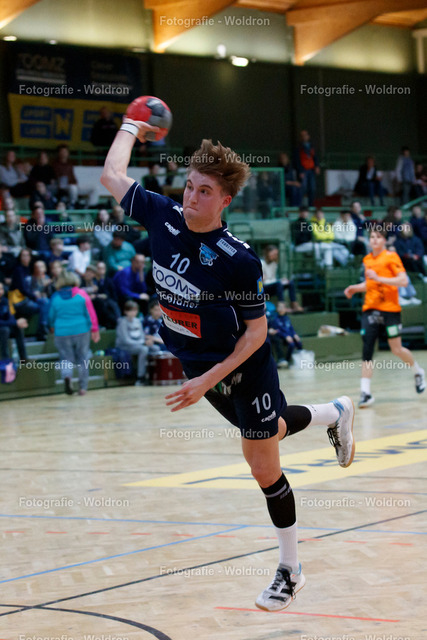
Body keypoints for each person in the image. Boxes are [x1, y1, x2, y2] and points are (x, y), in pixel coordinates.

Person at [101, 123, 356, 612]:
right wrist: (131, 125)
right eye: (189, 186)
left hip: (242, 368)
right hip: (198, 367)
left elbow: (256, 334)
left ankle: (291, 570)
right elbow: (112, 174)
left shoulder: (238, 259)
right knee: (269, 431)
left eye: (204, 191)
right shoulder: (162, 215)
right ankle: (336, 412)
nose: (191, 197)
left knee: (262, 465)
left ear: (224, 201)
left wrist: (206, 380)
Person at [344, 226, 425, 408]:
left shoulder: (391, 257)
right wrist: (355, 288)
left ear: (384, 240)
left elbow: (403, 281)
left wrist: (379, 278)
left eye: (378, 237)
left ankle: (418, 371)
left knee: (396, 349)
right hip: (370, 309)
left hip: (390, 310)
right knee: (367, 348)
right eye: (372, 236)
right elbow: (370, 284)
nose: (374, 239)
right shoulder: (367, 259)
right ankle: (365, 393)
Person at [48, 270, 100, 395]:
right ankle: (82, 388)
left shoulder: (55, 297)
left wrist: (52, 326)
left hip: (62, 331)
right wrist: (95, 329)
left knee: (66, 358)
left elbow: (50, 316)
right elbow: (91, 313)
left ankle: (67, 376)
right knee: (83, 358)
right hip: (81, 329)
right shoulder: (82, 294)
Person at [115, 299, 149, 385]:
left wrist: (144, 342)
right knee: (144, 349)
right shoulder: (122, 322)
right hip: (124, 347)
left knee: (154, 348)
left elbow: (142, 335)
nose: (133, 313)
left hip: (137, 345)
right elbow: (125, 340)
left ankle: (151, 375)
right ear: (125, 311)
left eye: (135, 310)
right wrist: (142, 343)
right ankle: (140, 377)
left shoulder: (138, 321)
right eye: (130, 310)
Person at [260, 245, 303, 312]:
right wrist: (278, 281)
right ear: (268, 253)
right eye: (274, 254)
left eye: (276, 254)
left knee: (290, 283)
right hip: (264, 288)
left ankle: (294, 304)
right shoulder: (262, 263)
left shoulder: (274, 264)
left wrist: (281, 280)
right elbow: (263, 281)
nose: (275, 256)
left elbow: (272, 278)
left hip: (273, 284)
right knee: (279, 284)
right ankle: (281, 306)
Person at [268, 301, 303, 367]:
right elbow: (277, 330)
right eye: (279, 307)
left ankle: (301, 360)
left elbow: (291, 328)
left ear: (285, 309)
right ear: (277, 308)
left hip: (289, 335)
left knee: (299, 343)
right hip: (281, 336)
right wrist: (286, 336)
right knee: (291, 344)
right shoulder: (275, 318)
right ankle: (287, 361)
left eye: (283, 307)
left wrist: (294, 334)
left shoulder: (287, 318)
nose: (281, 308)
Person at [0, 280, 28, 361]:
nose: (0, 291)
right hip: (2, 328)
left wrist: (17, 323)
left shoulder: (5, 301)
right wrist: (15, 322)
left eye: (1, 289)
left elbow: (10, 316)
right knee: (5, 330)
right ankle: (4, 358)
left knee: (18, 328)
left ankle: (23, 358)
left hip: (4, 326)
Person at [294, 130, 320, 207]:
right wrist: (300, 171)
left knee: (312, 188)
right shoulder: (298, 147)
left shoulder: (312, 146)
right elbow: (297, 160)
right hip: (303, 170)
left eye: (305, 135)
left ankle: (311, 205)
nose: (304, 137)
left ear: (308, 136)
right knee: (303, 188)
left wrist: (317, 166)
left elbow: (315, 157)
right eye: (302, 136)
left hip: (311, 169)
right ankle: (301, 205)